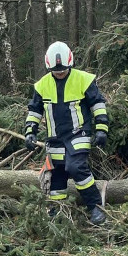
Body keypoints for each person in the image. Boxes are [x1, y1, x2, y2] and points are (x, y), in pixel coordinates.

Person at [24, 41, 110, 225]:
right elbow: (34, 111)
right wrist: (30, 131)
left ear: (70, 63)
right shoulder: (41, 85)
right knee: (57, 177)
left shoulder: (83, 79)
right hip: (55, 138)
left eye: (63, 69)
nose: (60, 72)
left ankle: (95, 207)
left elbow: (98, 104)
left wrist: (102, 128)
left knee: (75, 167)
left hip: (78, 134)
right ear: (49, 67)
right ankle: (58, 213)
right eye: (56, 70)